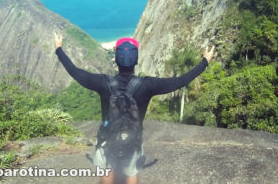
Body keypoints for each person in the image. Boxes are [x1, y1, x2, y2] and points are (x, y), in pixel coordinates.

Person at [54, 34, 215, 184]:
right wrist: (204, 62)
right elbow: (180, 81)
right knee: (131, 173)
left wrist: (59, 49)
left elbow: (75, 72)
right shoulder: (147, 85)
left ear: (116, 60)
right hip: (133, 140)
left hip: (107, 140)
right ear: (136, 61)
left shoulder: (103, 82)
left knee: (106, 170)